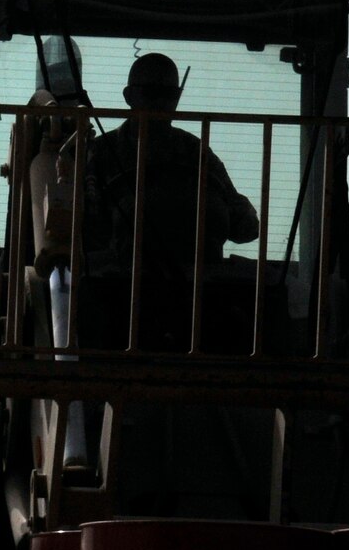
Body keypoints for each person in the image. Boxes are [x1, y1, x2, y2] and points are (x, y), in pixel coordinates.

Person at [81, 52, 259, 346]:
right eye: (152, 93)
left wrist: (240, 214)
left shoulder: (195, 150)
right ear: (129, 96)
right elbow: (89, 227)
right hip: (120, 287)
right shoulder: (100, 153)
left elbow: (243, 224)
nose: (162, 103)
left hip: (203, 288)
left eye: (170, 94)